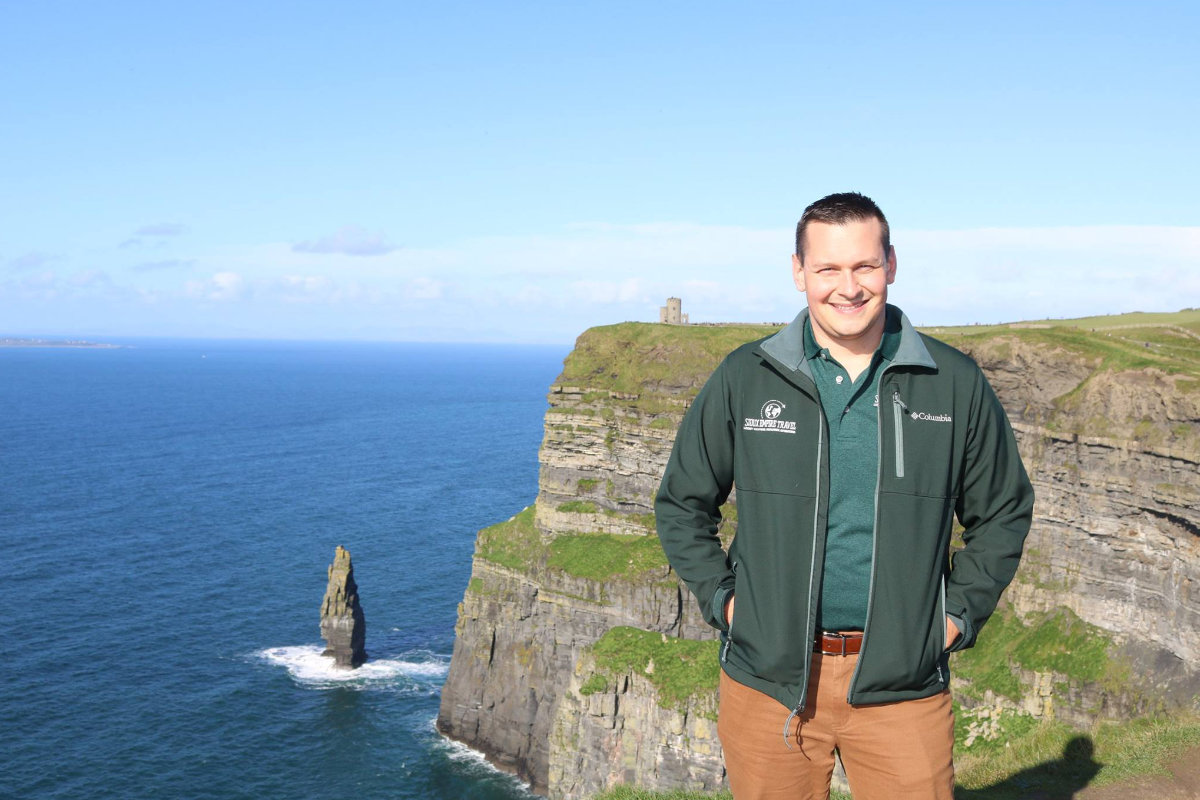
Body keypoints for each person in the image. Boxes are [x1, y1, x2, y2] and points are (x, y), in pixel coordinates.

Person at [654, 192, 1034, 799]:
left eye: (864, 266)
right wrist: (727, 604)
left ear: (890, 264)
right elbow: (681, 504)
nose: (848, 287)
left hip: (902, 684)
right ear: (800, 271)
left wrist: (954, 617)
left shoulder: (953, 381)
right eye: (828, 268)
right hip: (768, 681)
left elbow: (1004, 511)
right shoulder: (745, 377)